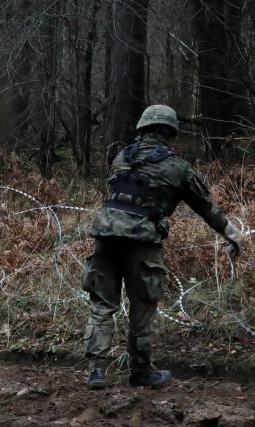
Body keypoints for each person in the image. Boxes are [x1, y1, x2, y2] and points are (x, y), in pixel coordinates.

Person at [82, 105, 243, 389]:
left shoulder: (121, 157)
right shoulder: (177, 167)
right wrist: (231, 233)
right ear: (170, 132)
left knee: (102, 306)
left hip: (105, 237)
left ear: (142, 129)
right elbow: (206, 206)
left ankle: (96, 372)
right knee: (142, 308)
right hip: (142, 242)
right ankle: (141, 372)